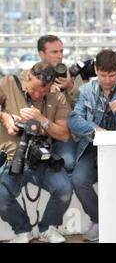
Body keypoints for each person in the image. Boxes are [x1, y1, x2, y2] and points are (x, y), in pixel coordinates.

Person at [68, 49, 116, 242]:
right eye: (103, 75)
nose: (107, 80)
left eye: (112, 75)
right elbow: (73, 119)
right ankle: (100, 220)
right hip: (92, 148)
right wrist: (94, 129)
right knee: (79, 180)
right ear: (95, 70)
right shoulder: (86, 90)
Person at [0, 62, 73, 243]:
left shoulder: (57, 97)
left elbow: (64, 135)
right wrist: (5, 117)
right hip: (13, 158)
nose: (38, 95)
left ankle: (47, 228)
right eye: (34, 90)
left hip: (42, 158)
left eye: (43, 91)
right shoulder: (9, 83)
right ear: (28, 77)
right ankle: (22, 230)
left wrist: (41, 120)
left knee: (64, 189)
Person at [33, 35, 79, 172]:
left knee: (69, 161)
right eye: (54, 52)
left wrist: (70, 87)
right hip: (39, 133)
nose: (59, 56)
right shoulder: (31, 75)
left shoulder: (71, 75)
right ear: (41, 54)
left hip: (63, 133)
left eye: (61, 51)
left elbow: (83, 106)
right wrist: (44, 89)